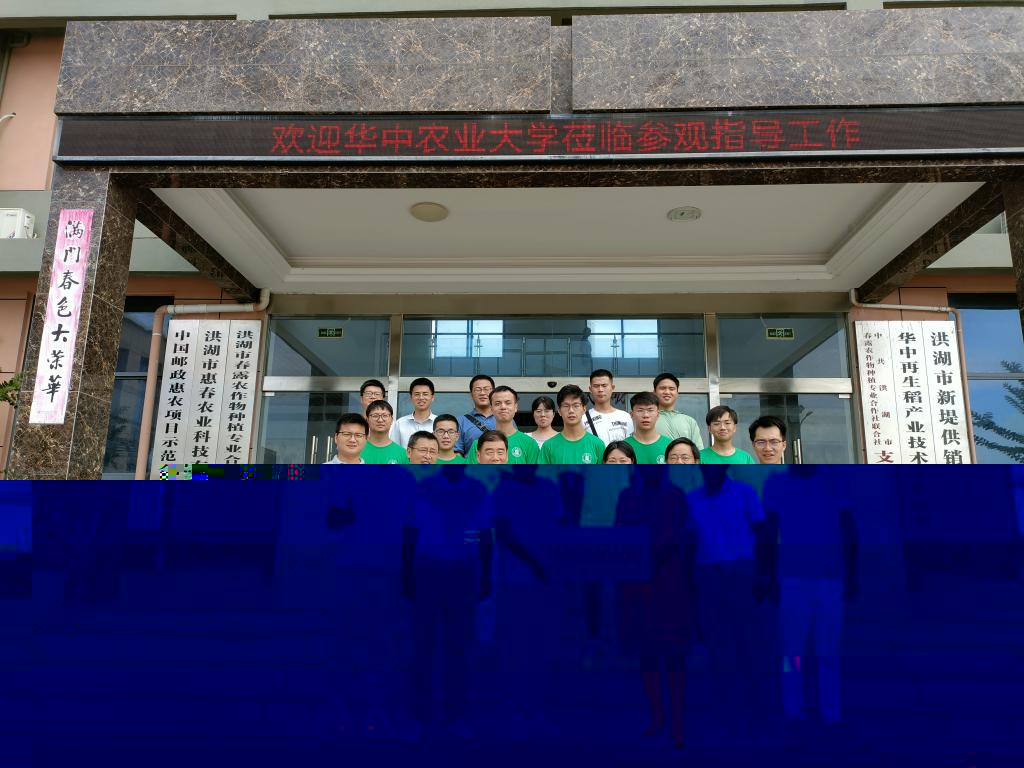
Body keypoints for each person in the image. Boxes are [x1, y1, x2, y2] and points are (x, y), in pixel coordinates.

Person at [686, 465, 775, 749]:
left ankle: (758, 719)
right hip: (709, 577)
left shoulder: (744, 493)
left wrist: (764, 574)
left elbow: (763, 534)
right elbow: (689, 544)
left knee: (750, 650)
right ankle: (726, 719)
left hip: (742, 574)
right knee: (718, 651)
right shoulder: (692, 499)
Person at [763, 466, 859, 732]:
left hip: (829, 577)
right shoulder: (776, 483)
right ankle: (793, 710)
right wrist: (768, 574)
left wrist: (851, 573)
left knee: (828, 650)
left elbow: (849, 528)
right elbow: (768, 532)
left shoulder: (834, 481)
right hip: (791, 577)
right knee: (792, 649)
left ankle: (831, 712)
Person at [402, 466, 494, 738]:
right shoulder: (424, 489)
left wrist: (484, 573)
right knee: (423, 645)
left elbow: (484, 535)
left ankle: (455, 715)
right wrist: (407, 574)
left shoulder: (477, 491)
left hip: (462, 571)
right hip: (428, 570)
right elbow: (411, 532)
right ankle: (419, 716)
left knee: (459, 646)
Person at [616, 466, 693, 749]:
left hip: (670, 583)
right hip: (638, 585)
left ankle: (676, 721)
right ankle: (657, 716)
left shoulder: (675, 496)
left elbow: (679, 538)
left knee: (674, 656)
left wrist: (651, 566)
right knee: (646, 655)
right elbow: (620, 535)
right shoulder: (627, 497)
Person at [467, 386, 539, 465]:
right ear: (491, 408)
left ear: (515, 407)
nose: (503, 407)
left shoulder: (529, 443)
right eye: (497, 403)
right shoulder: (478, 444)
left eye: (508, 403)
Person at [539, 385, 605, 465]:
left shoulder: (597, 445)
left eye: (576, 405)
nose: (571, 410)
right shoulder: (548, 447)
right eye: (566, 406)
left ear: (584, 409)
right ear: (559, 411)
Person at [653, 373, 704, 449]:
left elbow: (699, 451)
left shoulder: (689, 421)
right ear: (654, 392)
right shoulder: (648, 419)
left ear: (677, 393)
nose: (667, 392)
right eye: (663, 388)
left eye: (671, 389)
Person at [585, 369, 634, 444]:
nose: (600, 389)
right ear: (590, 389)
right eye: (596, 386)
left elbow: (630, 445)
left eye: (604, 385)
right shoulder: (583, 418)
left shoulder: (625, 417)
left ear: (612, 387)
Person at [626, 392, 673, 464]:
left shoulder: (670, 445)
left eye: (650, 410)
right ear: (632, 415)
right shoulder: (624, 447)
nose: (646, 415)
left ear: (658, 414)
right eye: (640, 410)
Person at [456, 375, 496, 456]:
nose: (482, 393)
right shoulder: (460, 422)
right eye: (478, 389)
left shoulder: (504, 419)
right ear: (471, 395)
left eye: (486, 389)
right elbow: (457, 453)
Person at [391, 378, 437, 448]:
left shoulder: (439, 423)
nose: (421, 398)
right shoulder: (400, 424)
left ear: (432, 397)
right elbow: (394, 449)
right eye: (417, 394)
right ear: (411, 397)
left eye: (425, 394)